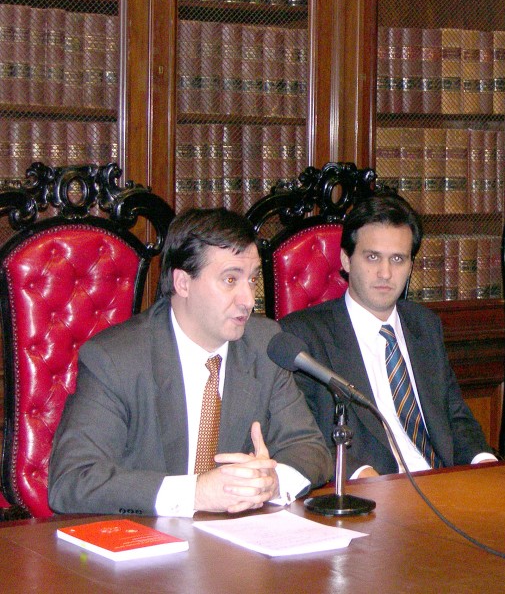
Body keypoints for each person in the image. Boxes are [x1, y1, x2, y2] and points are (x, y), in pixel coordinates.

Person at [48, 208, 332, 516]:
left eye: (252, 280)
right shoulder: (116, 359)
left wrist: (272, 482)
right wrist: (195, 493)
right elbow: (73, 481)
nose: (248, 299)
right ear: (183, 283)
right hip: (146, 544)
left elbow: (310, 448)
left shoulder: (265, 345)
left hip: (237, 545)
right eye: (230, 279)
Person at [280, 195, 496, 477]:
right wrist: (361, 476)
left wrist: (483, 461)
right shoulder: (303, 336)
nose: (385, 273)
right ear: (346, 259)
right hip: (372, 491)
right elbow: (305, 439)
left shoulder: (424, 325)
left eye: (398, 259)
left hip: (442, 484)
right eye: (372, 257)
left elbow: (455, 416)